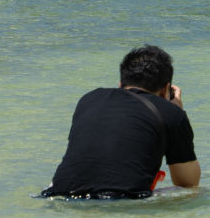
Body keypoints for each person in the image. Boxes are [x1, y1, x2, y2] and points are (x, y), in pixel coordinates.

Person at [41, 44, 200, 199]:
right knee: (197, 193)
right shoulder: (172, 113)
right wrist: (177, 112)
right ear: (166, 89)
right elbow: (188, 182)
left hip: (58, 193)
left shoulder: (89, 99)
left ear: (120, 85)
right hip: (122, 200)